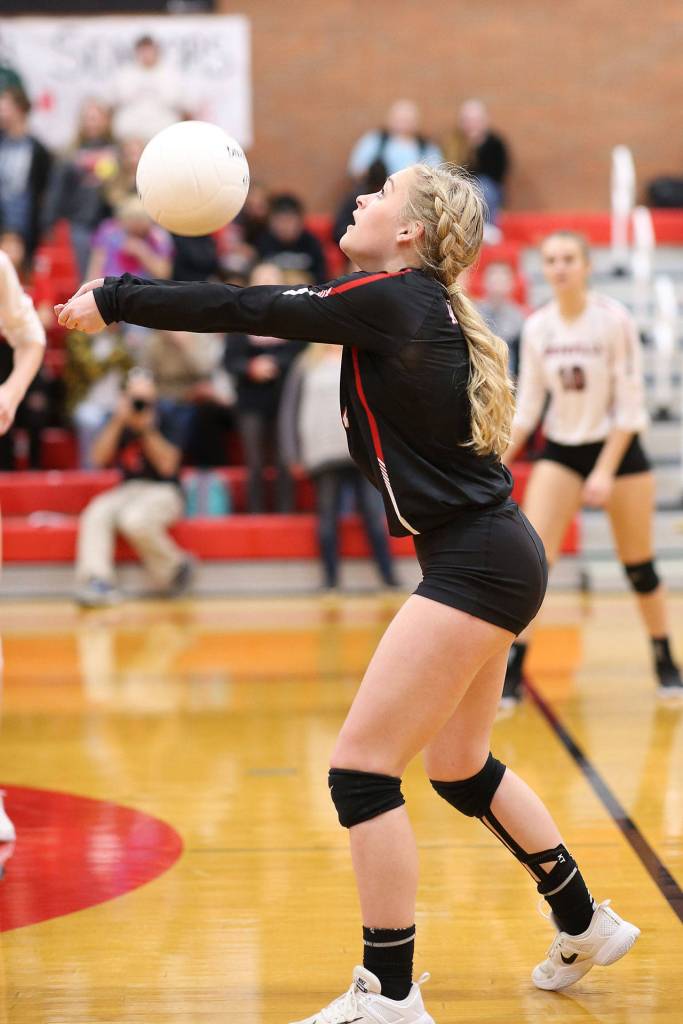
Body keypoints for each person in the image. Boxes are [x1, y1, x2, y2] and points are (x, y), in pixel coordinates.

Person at [57, 164, 640, 1022]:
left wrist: (117, 294)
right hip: (487, 553)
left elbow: (244, 309)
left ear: (408, 233)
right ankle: (583, 918)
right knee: (459, 766)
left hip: (477, 560)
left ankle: (390, 995)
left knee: (361, 774)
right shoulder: (407, 302)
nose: (361, 200)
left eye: (382, 194)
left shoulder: (394, 296)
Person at [502, 230, 682, 704]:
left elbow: (630, 404)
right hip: (562, 450)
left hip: (619, 451)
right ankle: (514, 670)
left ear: (586, 266)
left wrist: (603, 471)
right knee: (535, 561)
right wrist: (499, 459)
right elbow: (530, 406)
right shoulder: (538, 326)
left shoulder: (613, 321)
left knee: (638, 566)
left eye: (568, 258)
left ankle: (664, 657)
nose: (559, 267)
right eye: (551, 259)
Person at [279, 345, 398, 590]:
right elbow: (289, 410)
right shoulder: (305, 363)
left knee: (374, 517)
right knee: (327, 518)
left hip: (362, 451)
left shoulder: (361, 356)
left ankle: (388, 577)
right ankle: (330, 580)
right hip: (322, 452)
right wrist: (292, 452)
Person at [73, 369, 193, 608]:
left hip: (164, 490)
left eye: (145, 399)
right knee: (95, 512)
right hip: (128, 489)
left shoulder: (170, 414)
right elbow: (96, 459)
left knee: (134, 520)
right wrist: (118, 421)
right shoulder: (118, 418)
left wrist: (147, 429)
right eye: (134, 398)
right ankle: (97, 581)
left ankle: (177, 568)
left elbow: (168, 466)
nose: (139, 404)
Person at [223, 262, 305, 513]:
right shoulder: (239, 317)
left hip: (284, 397)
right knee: (255, 462)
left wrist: (275, 363)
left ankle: (285, 514)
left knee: (284, 459)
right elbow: (229, 360)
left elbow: (302, 353)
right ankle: (256, 514)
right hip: (250, 399)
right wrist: (251, 367)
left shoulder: (293, 316)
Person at [41, 98, 118, 277]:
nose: (92, 123)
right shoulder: (69, 155)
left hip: (110, 224)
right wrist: (49, 222)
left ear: (107, 121)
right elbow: (56, 192)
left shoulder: (118, 153)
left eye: (97, 118)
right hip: (79, 224)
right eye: (88, 118)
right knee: (83, 274)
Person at [0, 85, 52, 262]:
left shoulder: (38, 149)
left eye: (5, 108)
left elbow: (43, 190)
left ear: (20, 109)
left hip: (25, 222)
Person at [443, 99, 509, 226]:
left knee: (483, 189)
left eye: (476, 120)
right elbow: (450, 169)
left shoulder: (495, 144)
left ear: (484, 121)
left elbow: (497, 175)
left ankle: (485, 224)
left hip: (487, 189)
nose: (472, 124)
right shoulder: (454, 143)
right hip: (459, 186)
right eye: (467, 120)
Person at [111, 35, 184, 143]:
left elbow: (176, 100)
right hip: (131, 135)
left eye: (149, 50)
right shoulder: (125, 74)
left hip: (163, 133)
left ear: (157, 51)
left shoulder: (170, 74)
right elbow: (117, 98)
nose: (146, 55)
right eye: (143, 51)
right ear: (136, 53)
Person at [348, 100, 442, 180]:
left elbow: (438, 176)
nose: (403, 124)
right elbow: (356, 169)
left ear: (416, 122)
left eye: (407, 120)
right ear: (390, 119)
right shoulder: (375, 141)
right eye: (399, 119)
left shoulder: (427, 148)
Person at [86, 196, 173, 283]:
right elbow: (96, 267)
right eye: (131, 227)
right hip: (110, 287)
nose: (136, 230)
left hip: (144, 288)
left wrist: (142, 252)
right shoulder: (109, 231)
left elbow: (163, 274)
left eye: (140, 225)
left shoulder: (158, 237)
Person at [255, 194, 327, 284]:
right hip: (272, 290)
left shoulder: (311, 243)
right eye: (279, 220)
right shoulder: (263, 241)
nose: (284, 226)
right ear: (271, 222)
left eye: (289, 220)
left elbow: (321, 279)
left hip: (303, 292)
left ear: (300, 222)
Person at [475, 261, 525, 377]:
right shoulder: (473, 312)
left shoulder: (518, 317)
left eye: (502, 281)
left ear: (511, 284)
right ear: (484, 282)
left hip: (508, 378)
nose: (497, 286)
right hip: (479, 376)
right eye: (494, 281)